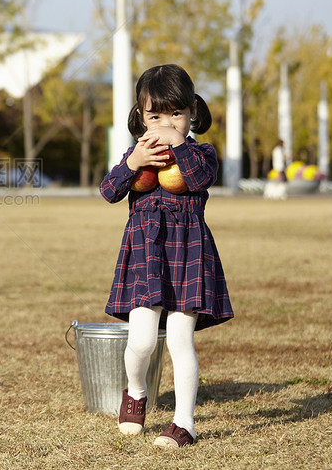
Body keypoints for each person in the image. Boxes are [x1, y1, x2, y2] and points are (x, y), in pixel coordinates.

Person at [99, 64, 233, 449]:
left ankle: (184, 423)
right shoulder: (137, 154)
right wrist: (133, 163)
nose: (165, 124)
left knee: (179, 340)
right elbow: (109, 191)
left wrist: (177, 142)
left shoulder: (199, 153)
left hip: (189, 255)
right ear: (141, 117)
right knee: (141, 341)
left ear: (192, 111)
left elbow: (197, 179)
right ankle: (137, 392)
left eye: (175, 114)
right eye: (155, 116)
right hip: (146, 255)